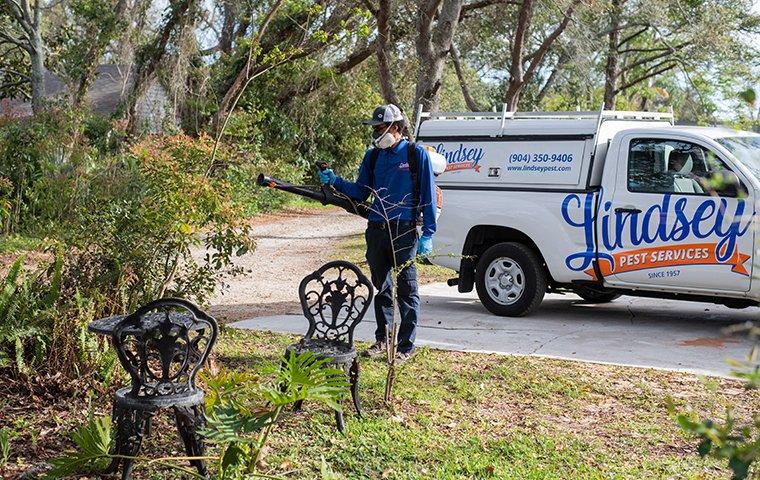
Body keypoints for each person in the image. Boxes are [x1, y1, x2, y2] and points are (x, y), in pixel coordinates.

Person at [317, 104, 437, 363]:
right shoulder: (374, 157)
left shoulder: (417, 156)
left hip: (404, 231)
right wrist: (334, 180)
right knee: (381, 289)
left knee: (407, 290)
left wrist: (428, 234)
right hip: (376, 230)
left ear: (395, 127)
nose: (376, 133)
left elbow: (427, 196)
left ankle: (405, 346)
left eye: (380, 128)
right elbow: (361, 192)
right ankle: (382, 340)